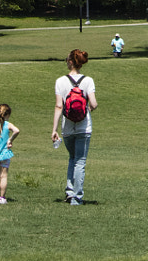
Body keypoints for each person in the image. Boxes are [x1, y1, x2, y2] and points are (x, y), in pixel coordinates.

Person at [52, 48, 98, 206]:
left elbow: (59, 106)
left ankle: (70, 193)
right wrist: (88, 109)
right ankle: (77, 197)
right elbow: (94, 104)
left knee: (72, 158)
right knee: (80, 161)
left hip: (67, 128)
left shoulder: (60, 81)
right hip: (84, 128)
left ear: (71, 62)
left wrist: (54, 129)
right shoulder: (88, 81)